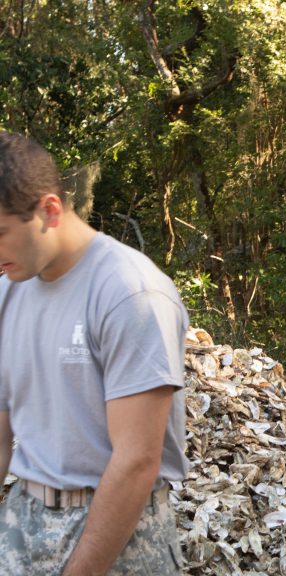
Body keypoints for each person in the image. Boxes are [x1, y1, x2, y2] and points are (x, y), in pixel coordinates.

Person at [0, 131, 189, 574]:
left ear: (48, 211)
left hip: (119, 537)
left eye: (0, 232)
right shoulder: (7, 294)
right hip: (22, 524)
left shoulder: (129, 292)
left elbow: (137, 461)